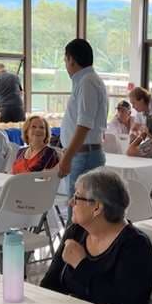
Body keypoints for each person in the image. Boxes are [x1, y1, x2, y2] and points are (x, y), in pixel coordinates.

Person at [41, 169, 152, 304]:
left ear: (96, 207)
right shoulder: (76, 232)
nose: (70, 203)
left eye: (76, 197)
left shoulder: (135, 246)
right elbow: (49, 285)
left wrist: (80, 265)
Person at [59, 39, 109, 206]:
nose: (66, 65)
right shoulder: (89, 80)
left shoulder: (87, 82)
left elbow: (84, 125)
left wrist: (67, 157)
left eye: (65, 60)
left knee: (78, 213)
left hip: (83, 155)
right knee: (82, 212)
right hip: (84, 153)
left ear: (71, 60)